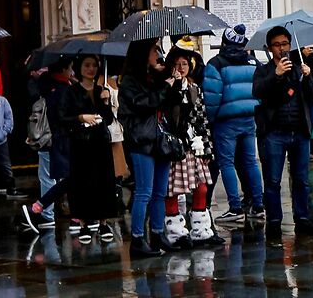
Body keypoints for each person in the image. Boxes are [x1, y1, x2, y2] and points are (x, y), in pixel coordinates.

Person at [255, 25, 313, 237]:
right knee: (273, 180)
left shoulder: (298, 68)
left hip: (299, 131)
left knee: (301, 178)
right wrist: (276, 75)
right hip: (274, 132)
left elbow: (312, 98)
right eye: (277, 45)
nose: (281, 48)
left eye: (284, 44)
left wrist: (308, 77)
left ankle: (302, 218)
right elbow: (258, 91)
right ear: (269, 48)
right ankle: (274, 221)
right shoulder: (264, 70)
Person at [118, 39, 175, 255]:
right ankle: (138, 238)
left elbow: (168, 102)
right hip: (142, 140)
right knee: (144, 191)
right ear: (143, 53)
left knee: (160, 192)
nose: (158, 54)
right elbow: (145, 104)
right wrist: (164, 88)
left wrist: (168, 78)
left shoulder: (155, 77)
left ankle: (158, 234)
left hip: (160, 139)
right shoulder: (130, 81)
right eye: (154, 50)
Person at [202, 26, 263, 226]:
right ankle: (258, 206)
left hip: (225, 122)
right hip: (249, 118)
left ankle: (235, 208)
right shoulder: (253, 62)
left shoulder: (215, 64)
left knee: (226, 163)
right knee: (251, 162)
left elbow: (212, 97)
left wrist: (211, 120)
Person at [161, 46, 220, 248]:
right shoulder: (165, 87)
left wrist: (207, 147)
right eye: (176, 64)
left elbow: (202, 120)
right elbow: (167, 117)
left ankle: (201, 230)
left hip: (194, 146)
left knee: (202, 187)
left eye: (184, 64)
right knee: (174, 190)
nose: (180, 68)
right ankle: (175, 233)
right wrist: (172, 88)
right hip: (174, 146)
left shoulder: (195, 88)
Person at [58, 56, 121, 242]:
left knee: (104, 182)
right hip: (81, 144)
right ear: (79, 68)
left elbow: (108, 120)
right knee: (82, 183)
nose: (91, 69)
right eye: (87, 65)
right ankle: (84, 224)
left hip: (100, 143)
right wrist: (80, 117)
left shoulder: (101, 90)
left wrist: (106, 103)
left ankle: (103, 222)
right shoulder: (71, 92)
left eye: (94, 65)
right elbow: (62, 117)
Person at [21, 59, 74, 235]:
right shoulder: (63, 89)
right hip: (58, 138)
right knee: (63, 176)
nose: (72, 72)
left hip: (44, 137)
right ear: (64, 69)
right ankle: (47, 211)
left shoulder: (42, 85)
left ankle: (46, 212)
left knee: (48, 175)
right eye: (70, 68)